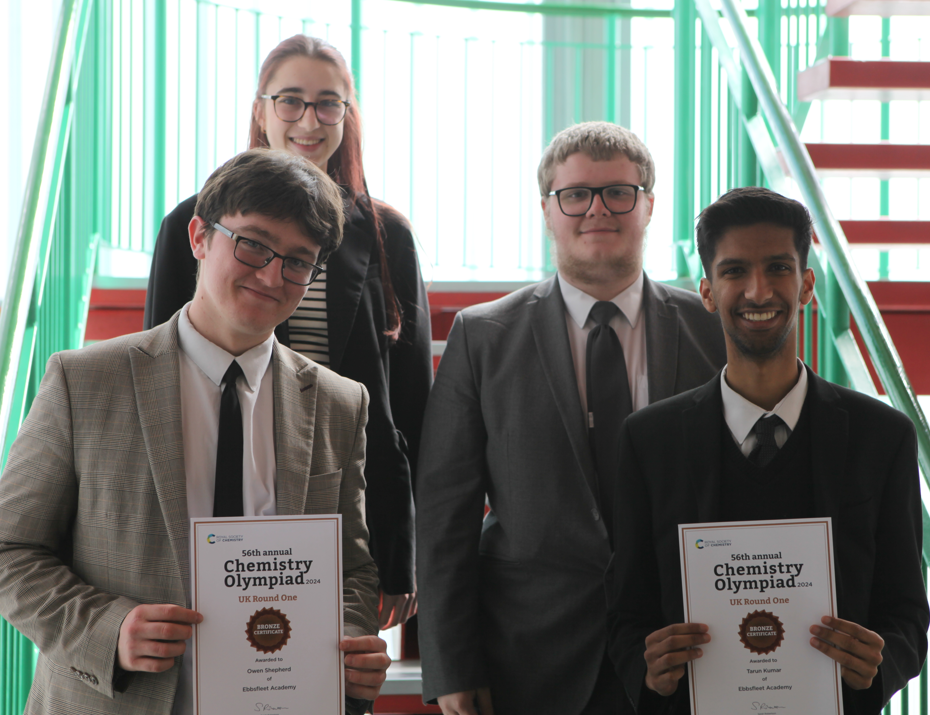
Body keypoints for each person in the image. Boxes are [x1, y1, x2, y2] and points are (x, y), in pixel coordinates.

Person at [0, 149, 391, 715]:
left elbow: (350, 569)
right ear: (199, 236)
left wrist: (351, 647)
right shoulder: (83, 381)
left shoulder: (339, 403)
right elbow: (11, 548)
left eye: (298, 262)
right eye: (253, 244)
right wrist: (109, 630)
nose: (271, 275)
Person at [415, 121, 728, 715]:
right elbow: (443, 513)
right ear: (547, 210)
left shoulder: (711, 331)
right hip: (528, 658)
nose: (597, 209)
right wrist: (452, 663)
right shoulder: (483, 337)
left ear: (649, 205)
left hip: (686, 654)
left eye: (619, 192)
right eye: (575, 194)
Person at [144, 35, 431, 629]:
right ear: (261, 109)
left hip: (337, 495)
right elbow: (155, 373)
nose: (310, 119)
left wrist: (402, 551)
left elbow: (408, 409)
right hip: (215, 478)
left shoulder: (386, 236)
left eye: (329, 103)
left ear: (347, 116)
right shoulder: (192, 223)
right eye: (291, 100)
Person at [607, 186, 929, 715]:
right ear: (708, 292)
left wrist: (882, 660)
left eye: (778, 268)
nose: (758, 291)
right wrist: (649, 667)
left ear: (805, 286)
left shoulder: (883, 436)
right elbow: (625, 613)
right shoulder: (649, 441)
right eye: (734, 271)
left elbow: (907, 617)